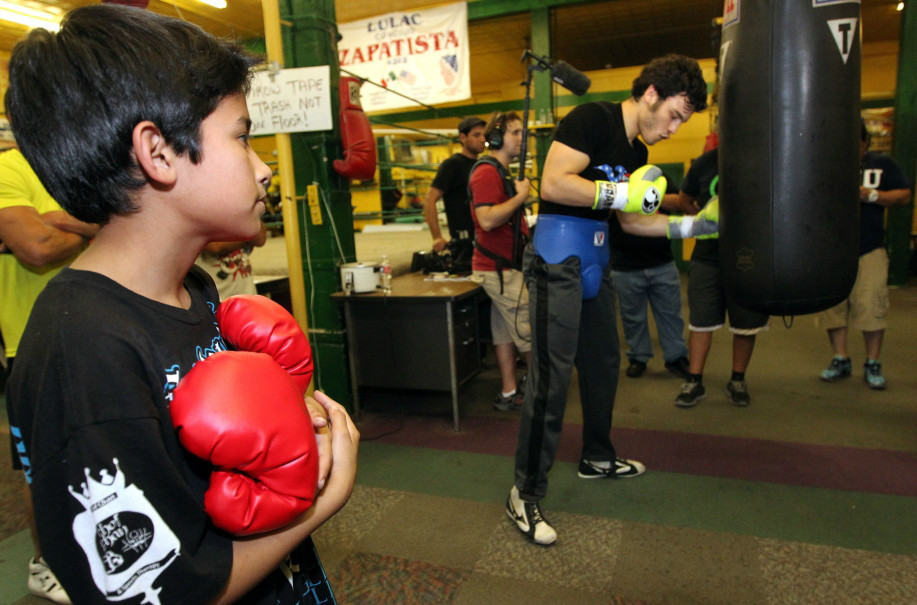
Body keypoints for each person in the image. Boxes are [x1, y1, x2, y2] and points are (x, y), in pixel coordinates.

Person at [5, 5, 359, 603]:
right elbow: (156, 590)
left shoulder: (193, 287)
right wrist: (320, 503)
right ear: (159, 153)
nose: (265, 169)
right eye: (242, 137)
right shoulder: (85, 344)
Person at [506, 54, 716, 546]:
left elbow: (633, 221)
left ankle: (597, 455)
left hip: (597, 261)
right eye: (675, 114)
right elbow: (555, 182)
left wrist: (691, 226)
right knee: (550, 381)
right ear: (650, 95)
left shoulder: (637, 154)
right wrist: (618, 196)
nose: (674, 128)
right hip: (558, 258)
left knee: (602, 364)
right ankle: (524, 493)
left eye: (683, 120)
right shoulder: (591, 119)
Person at [0, 147, 97, 603]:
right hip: (32, 340)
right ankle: (45, 564)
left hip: (92, 329)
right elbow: (36, 247)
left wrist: (66, 221)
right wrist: (94, 228)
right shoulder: (9, 168)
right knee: (42, 464)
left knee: (96, 451)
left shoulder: (79, 162)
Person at [815, 121, 911, 389]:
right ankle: (840, 357)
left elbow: (903, 195)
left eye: (854, 145)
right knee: (833, 309)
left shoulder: (882, 164)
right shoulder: (825, 165)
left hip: (869, 248)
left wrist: (871, 195)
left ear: (864, 143)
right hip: (832, 250)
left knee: (872, 307)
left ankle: (872, 362)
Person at [671, 147, 770, 408]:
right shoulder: (705, 163)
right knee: (700, 321)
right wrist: (702, 222)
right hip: (706, 258)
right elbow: (683, 200)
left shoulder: (763, 157)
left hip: (748, 258)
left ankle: (737, 379)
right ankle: (694, 380)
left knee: (746, 323)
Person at [469, 111, 532, 411]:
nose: (522, 138)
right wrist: (520, 198)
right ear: (497, 138)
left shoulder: (500, 172)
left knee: (505, 333)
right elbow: (487, 219)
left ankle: (509, 391)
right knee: (527, 333)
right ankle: (543, 390)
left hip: (503, 268)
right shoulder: (486, 172)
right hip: (500, 270)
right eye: (515, 132)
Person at [609, 179, 692, 379]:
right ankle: (638, 357)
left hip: (662, 262)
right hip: (625, 265)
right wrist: (623, 198)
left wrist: (649, 195)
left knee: (670, 314)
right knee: (632, 318)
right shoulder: (613, 179)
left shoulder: (658, 177)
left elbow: (679, 202)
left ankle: (676, 357)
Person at [422, 116, 487, 258]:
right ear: (463, 138)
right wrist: (437, 237)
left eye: (484, 135)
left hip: (484, 239)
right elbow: (430, 199)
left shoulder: (482, 165)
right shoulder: (452, 165)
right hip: (463, 244)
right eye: (476, 135)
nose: (482, 139)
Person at [195, 220, 267, 300]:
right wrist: (247, 236)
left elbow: (260, 238)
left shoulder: (237, 213)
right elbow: (215, 247)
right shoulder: (199, 215)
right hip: (218, 301)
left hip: (247, 299)